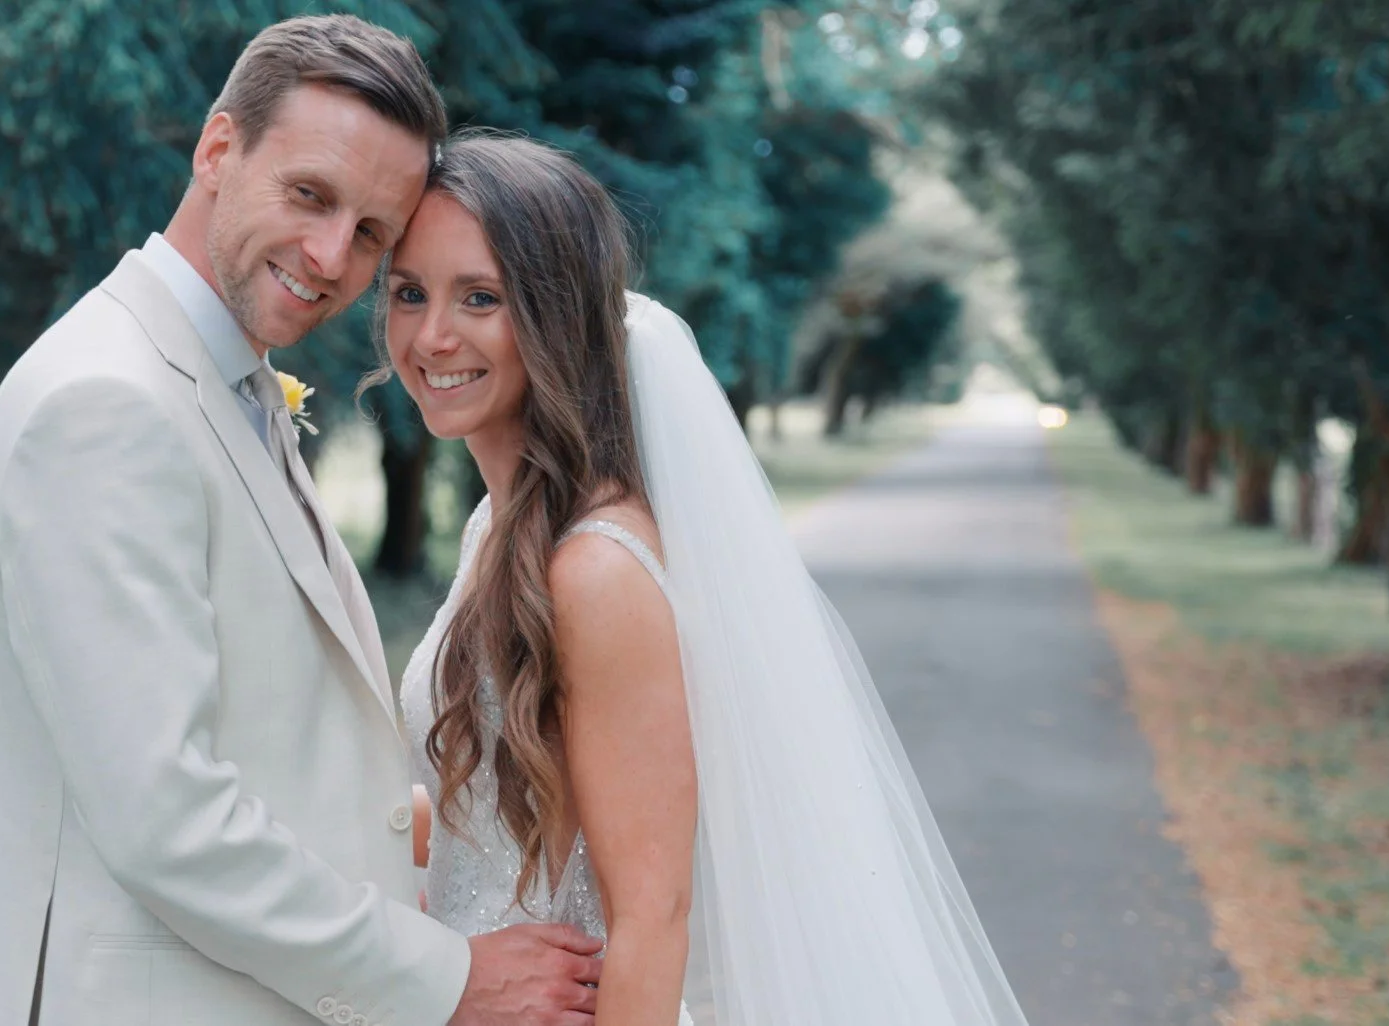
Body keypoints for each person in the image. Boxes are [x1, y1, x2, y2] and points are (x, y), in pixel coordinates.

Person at [0, 18, 603, 1026]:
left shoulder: (221, 380)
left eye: (372, 233)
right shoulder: (106, 403)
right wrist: (448, 978)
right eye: (311, 195)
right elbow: (166, 819)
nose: (330, 256)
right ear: (218, 149)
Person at [386, 131, 1033, 1026]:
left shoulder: (595, 569)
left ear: (554, 317)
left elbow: (652, 917)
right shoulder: (498, 526)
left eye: (481, 297)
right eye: (409, 292)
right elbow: (492, 818)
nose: (432, 335)